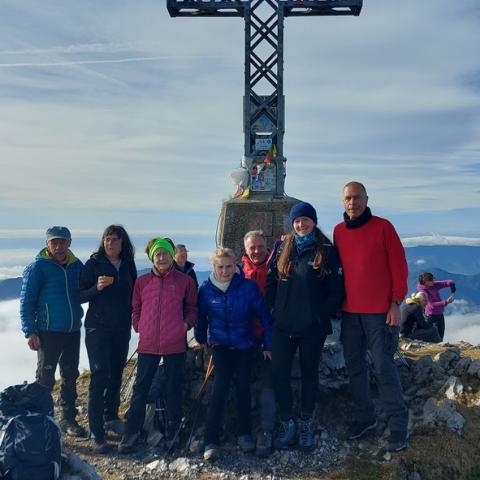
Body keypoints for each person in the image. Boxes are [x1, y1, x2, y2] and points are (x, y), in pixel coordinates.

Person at [333, 181, 409, 452]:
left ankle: (399, 424)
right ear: (342, 201)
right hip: (350, 313)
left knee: (383, 367)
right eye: (347, 198)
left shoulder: (383, 227)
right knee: (355, 367)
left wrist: (395, 302)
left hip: (380, 313)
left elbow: (399, 266)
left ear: (366, 199)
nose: (352, 202)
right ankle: (364, 418)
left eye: (356, 197)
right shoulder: (339, 232)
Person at [266, 202, 344, 451]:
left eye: (305, 220)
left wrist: (318, 316)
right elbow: (270, 282)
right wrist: (273, 310)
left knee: (310, 374)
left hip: (312, 327)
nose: (301, 224)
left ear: (314, 221)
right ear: (292, 223)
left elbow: (336, 292)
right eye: (297, 221)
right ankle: (288, 421)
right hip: (283, 325)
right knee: (279, 373)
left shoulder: (327, 251)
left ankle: (306, 422)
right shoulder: (281, 248)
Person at [118, 238, 197, 454]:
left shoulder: (184, 281)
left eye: (165, 253)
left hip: (174, 343)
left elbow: (192, 308)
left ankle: (173, 430)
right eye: (157, 254)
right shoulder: (142, 282)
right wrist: (138, 324)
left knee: (173, 388)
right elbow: (135, 306)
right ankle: (131, 431)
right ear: (152, 257)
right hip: (148, 343)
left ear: (172, 256)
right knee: (140, 388)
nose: (161, 258)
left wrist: (186, 324)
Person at [195, 247, 272, 462]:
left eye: (229, 266)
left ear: (236, 264)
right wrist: (201, 339)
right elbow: (201, 317)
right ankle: (211, 440)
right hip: (220, 345)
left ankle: (244, 434)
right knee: (219, 389)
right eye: (220, 266)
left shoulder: (247, 287)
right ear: (213, 267)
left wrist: (268, 344)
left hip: (245, 345)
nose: (225, 271)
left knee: (243, 388)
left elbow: (264, 316)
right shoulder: (206, 290)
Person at [20, 226, 86, 437]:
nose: (58, 246)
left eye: (62, 242)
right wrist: (30, 331)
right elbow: (26, 301)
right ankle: (40, 423)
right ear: (47, 244)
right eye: (54, 242)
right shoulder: (37, 268)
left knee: (70, 375)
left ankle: (68, 420)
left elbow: (87, 288)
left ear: (69, 243)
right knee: (45, 378)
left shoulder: (77, 266)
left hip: (73, 330)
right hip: (48, 331)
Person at [78, 225, 137, 453]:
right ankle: (96, 431)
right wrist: (96, 288)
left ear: (123, 243)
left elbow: (134, 295)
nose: (110, 243)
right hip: (97, 328)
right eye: (107, 239)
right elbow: (79, 296)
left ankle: (110, 417)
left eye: (114, 239)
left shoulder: (129, 265)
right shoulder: (93, 264)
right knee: (100, 375)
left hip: (121, 328)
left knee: (116, 373)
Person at [240, 230, 276, 457]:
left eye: (260, 247)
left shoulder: (277, 269)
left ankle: (266, 430)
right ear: (245, 249)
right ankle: (241, 430)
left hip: (268, 336)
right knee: (240, 382)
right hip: (243, 337)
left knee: (268, 383)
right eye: (252, 247)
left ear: (267, 247)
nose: (256, 251)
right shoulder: (236, 272)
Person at [417, 272, 455, 341]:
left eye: (433, 279)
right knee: (432, 336)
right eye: (431, 280)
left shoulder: (433, 285)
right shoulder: (423, 291)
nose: (434, 281)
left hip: (440, 313)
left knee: (440, 335)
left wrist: (451, 284)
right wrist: (446, 302)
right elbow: (432, 305)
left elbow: (445, 283)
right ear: (426, 282)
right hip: (431, 315)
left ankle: (440, 348)